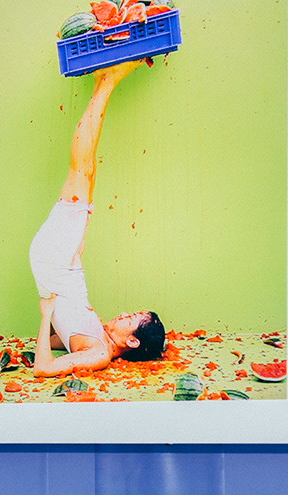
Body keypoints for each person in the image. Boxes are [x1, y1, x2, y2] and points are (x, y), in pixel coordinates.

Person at [28, 59, 167, 376]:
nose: (123, 314)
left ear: (131, 341)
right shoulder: (98, 339)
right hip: (63, 261)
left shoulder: (100, 354)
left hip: (57, 262)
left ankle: (108, 80)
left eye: (130, 319)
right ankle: (102, 82)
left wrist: (46, 315)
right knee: (85, 171)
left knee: (82, 168)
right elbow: (64, 339)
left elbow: (43, 368)